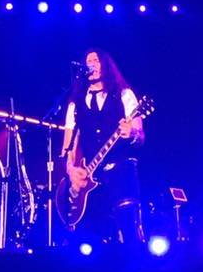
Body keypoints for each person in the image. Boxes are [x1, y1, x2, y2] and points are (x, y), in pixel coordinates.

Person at [60, 49, 145, 242]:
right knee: (96, 237)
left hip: (122, 171)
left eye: (96, 60)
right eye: (88, 61)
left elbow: (140, 136)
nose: (91, 64)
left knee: (128, 230)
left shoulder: (124, 94)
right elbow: (68, 146)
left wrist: (131, 133)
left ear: (105, 65)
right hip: (93, 179)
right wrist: (71, 170)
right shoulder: (75, 104)